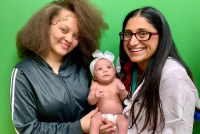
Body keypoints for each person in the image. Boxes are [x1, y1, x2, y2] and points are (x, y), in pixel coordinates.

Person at [9, 0, 109, 133]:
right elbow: (27, 129)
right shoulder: (23, 72)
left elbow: (96, 106)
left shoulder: (84, 66)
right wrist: (79, 127)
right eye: (63, 30)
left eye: (76, 36)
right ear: (46, 25)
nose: (69, 39)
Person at [116, 6, 199, 134]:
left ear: (161, 36)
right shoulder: (126, 65)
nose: (132, 42)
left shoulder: (174, 76)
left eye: (143, 34)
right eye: (128, 34)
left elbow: (178, 129)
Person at [87, 50, 128, 134]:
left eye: (108, 67)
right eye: (100, 69)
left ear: (114, 71)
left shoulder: (117, 82)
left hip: (117, 115)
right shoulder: (95, 84)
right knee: (94, 121)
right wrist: (95, 96)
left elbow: (124, 98)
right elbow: (90, 101)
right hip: (101, 114)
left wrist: (123, 90)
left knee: (124, 123)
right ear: (94, 75)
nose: (105, 70)